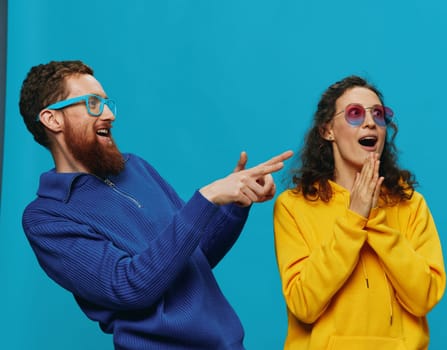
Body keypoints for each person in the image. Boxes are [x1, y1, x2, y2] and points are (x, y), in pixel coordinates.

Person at [19, 60, 293, 350]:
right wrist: (207, 197)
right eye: (93, 103)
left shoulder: (134, 167)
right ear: (52, 120)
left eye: (107, 103)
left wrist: (235, 203)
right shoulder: (47, 216)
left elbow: (190, 258)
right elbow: (128, 287)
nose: (109, 114)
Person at [273, 75, 446, 349]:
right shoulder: (294, 206)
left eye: (378, 115)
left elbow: (424, 296)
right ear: (327, 130)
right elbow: (303, 304)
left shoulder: (411, 204)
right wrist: (354, 219)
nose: (370, 122)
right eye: (355, 114)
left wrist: (375, 219)